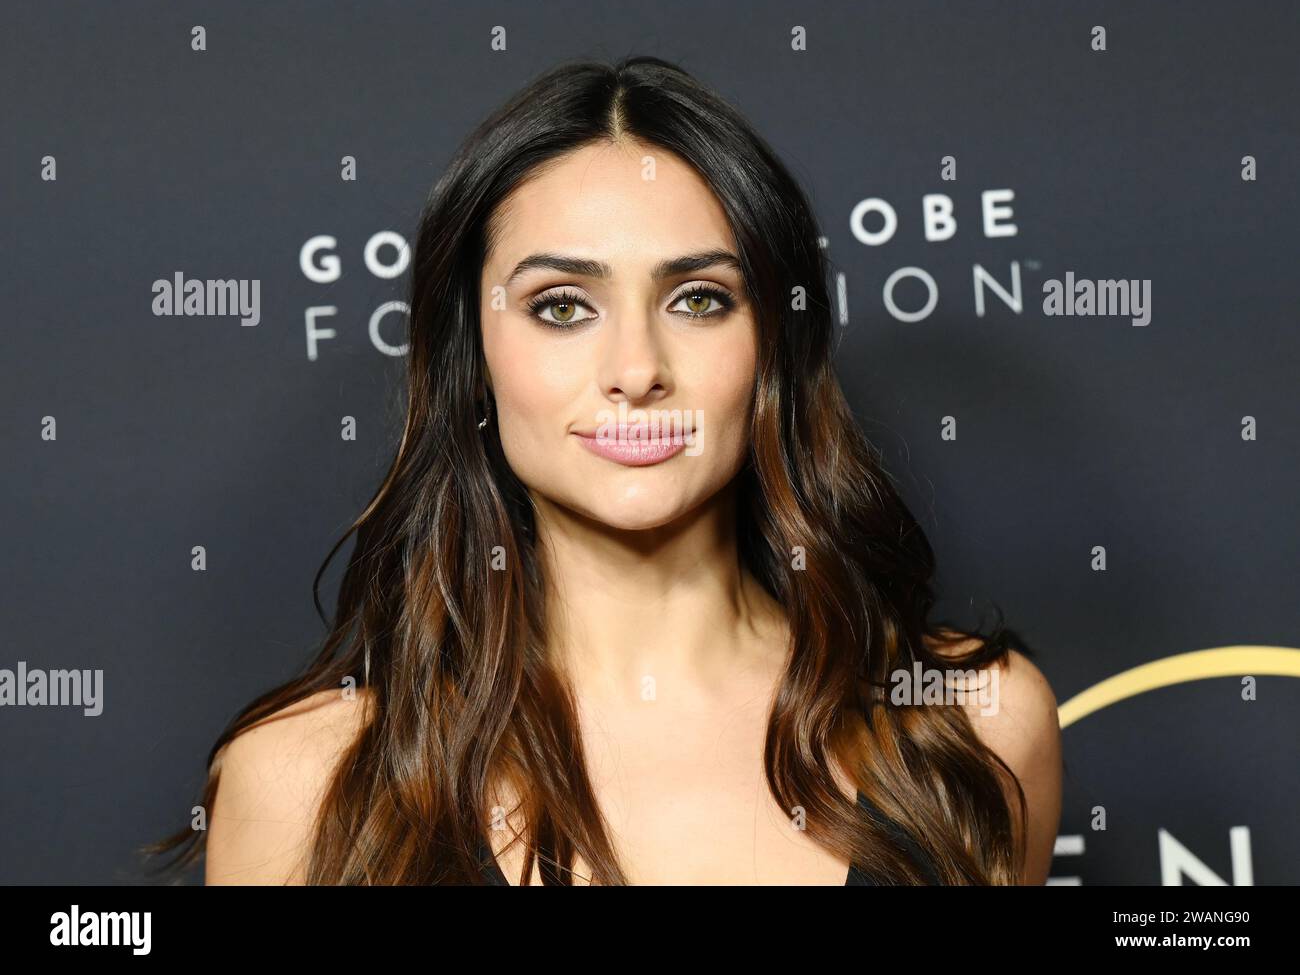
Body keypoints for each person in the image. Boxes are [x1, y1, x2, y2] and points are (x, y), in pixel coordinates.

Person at [148, 55, 1062, 885]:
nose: (636, 367)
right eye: (561, 306)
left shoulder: (970, 729)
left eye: (699, 298)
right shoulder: (304, 784)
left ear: (774, 347)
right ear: (474, 358)